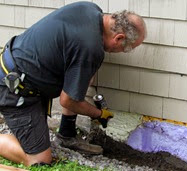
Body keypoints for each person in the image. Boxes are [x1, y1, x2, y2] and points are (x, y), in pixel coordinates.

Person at [0, 1, 146, 167]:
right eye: (127, 48)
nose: (124, 51)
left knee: (85, 75)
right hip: (15, 91)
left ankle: (67, 134)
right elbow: (68, 100)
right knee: (40, 160)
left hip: (22, 70)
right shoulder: (90, 48)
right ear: (119, 38)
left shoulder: (90, 9)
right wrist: (98, 114)